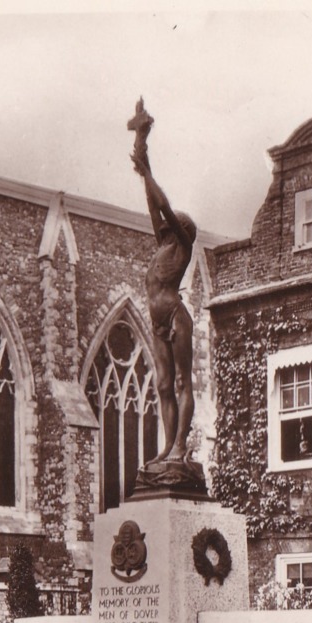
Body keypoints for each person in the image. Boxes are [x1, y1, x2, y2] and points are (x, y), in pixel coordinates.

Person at [129, 105, 197, 465]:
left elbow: (164, 205)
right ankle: (168, 446)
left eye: (171, 225)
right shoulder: (163, 244)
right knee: (164, 385)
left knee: (183, 382)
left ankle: (180, 448)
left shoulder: (183, 247)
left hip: (175, 317)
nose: (165, 227)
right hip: (156, 320)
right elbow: (153, 205)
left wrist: (147, 173)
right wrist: (145, 161)